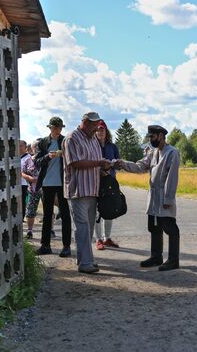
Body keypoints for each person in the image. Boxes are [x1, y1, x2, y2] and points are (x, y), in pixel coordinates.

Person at [118, 125, 181, 271]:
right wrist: (122, 163)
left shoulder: (172, 153)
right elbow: (140, 166)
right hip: (153, 197)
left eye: (152, 137)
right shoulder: (153, 153)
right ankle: (156, 257)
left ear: (160, 135)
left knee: (170, 227)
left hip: (164, 196)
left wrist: (168, 199)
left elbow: (172, 178)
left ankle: (173, 260)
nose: (150, 140)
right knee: (154, 227)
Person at [62, 112, 112, 274]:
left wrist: (103, 169)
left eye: (98, 125)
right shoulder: (72, 138)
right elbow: (74, 162)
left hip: (92, 189)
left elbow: (95, 163)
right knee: (82, 227)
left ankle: (84, 259)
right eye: (94, 125)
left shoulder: (93, 139)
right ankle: (85, 263)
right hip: (78, 190)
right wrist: (98, 163)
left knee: (89, 228)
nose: (96, 128)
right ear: (85, 122)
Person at [35, 117, 72, 257]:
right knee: (47, 215)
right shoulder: (43, 142)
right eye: (55, 128)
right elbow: (37, 163)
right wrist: (47, 157)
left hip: (63, 184)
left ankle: (66, 246)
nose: (58, 130)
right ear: (49, 128)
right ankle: (45, 245)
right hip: (47, 184)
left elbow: (72, 159)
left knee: (65, 215)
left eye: (60, 128)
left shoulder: (65, 141)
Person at [94, 120, 120, 250]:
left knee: (109, 209)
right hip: (95, 181)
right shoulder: (92, 145)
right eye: (98, 129)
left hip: (110, 181)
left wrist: (113, 165)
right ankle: (98, 239)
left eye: (102, 129)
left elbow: (118, 164)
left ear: (106, 131)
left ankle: (107, 238)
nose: (100, 131)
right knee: (96, 211)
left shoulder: (112, 146)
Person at [22, 138, 42, 239]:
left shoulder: (48, 158)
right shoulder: (28, 160)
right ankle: (29, 231)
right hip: (33, 189)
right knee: (30, 211)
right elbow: (22, 172)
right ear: (32, 148)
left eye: (39, 146)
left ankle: (50, 230)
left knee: (49, 210)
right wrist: (28, 178)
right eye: (35, 147)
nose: (37, 149)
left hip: (46, 188)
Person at [19, 140, 31, 220]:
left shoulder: (28, 158)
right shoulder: (14, 157)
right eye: (18, 145)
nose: (19, 147)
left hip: (24, 184)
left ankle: (22, 219)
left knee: (22, 203)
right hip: (15, 184)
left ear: (25, 148)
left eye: (21, 145)